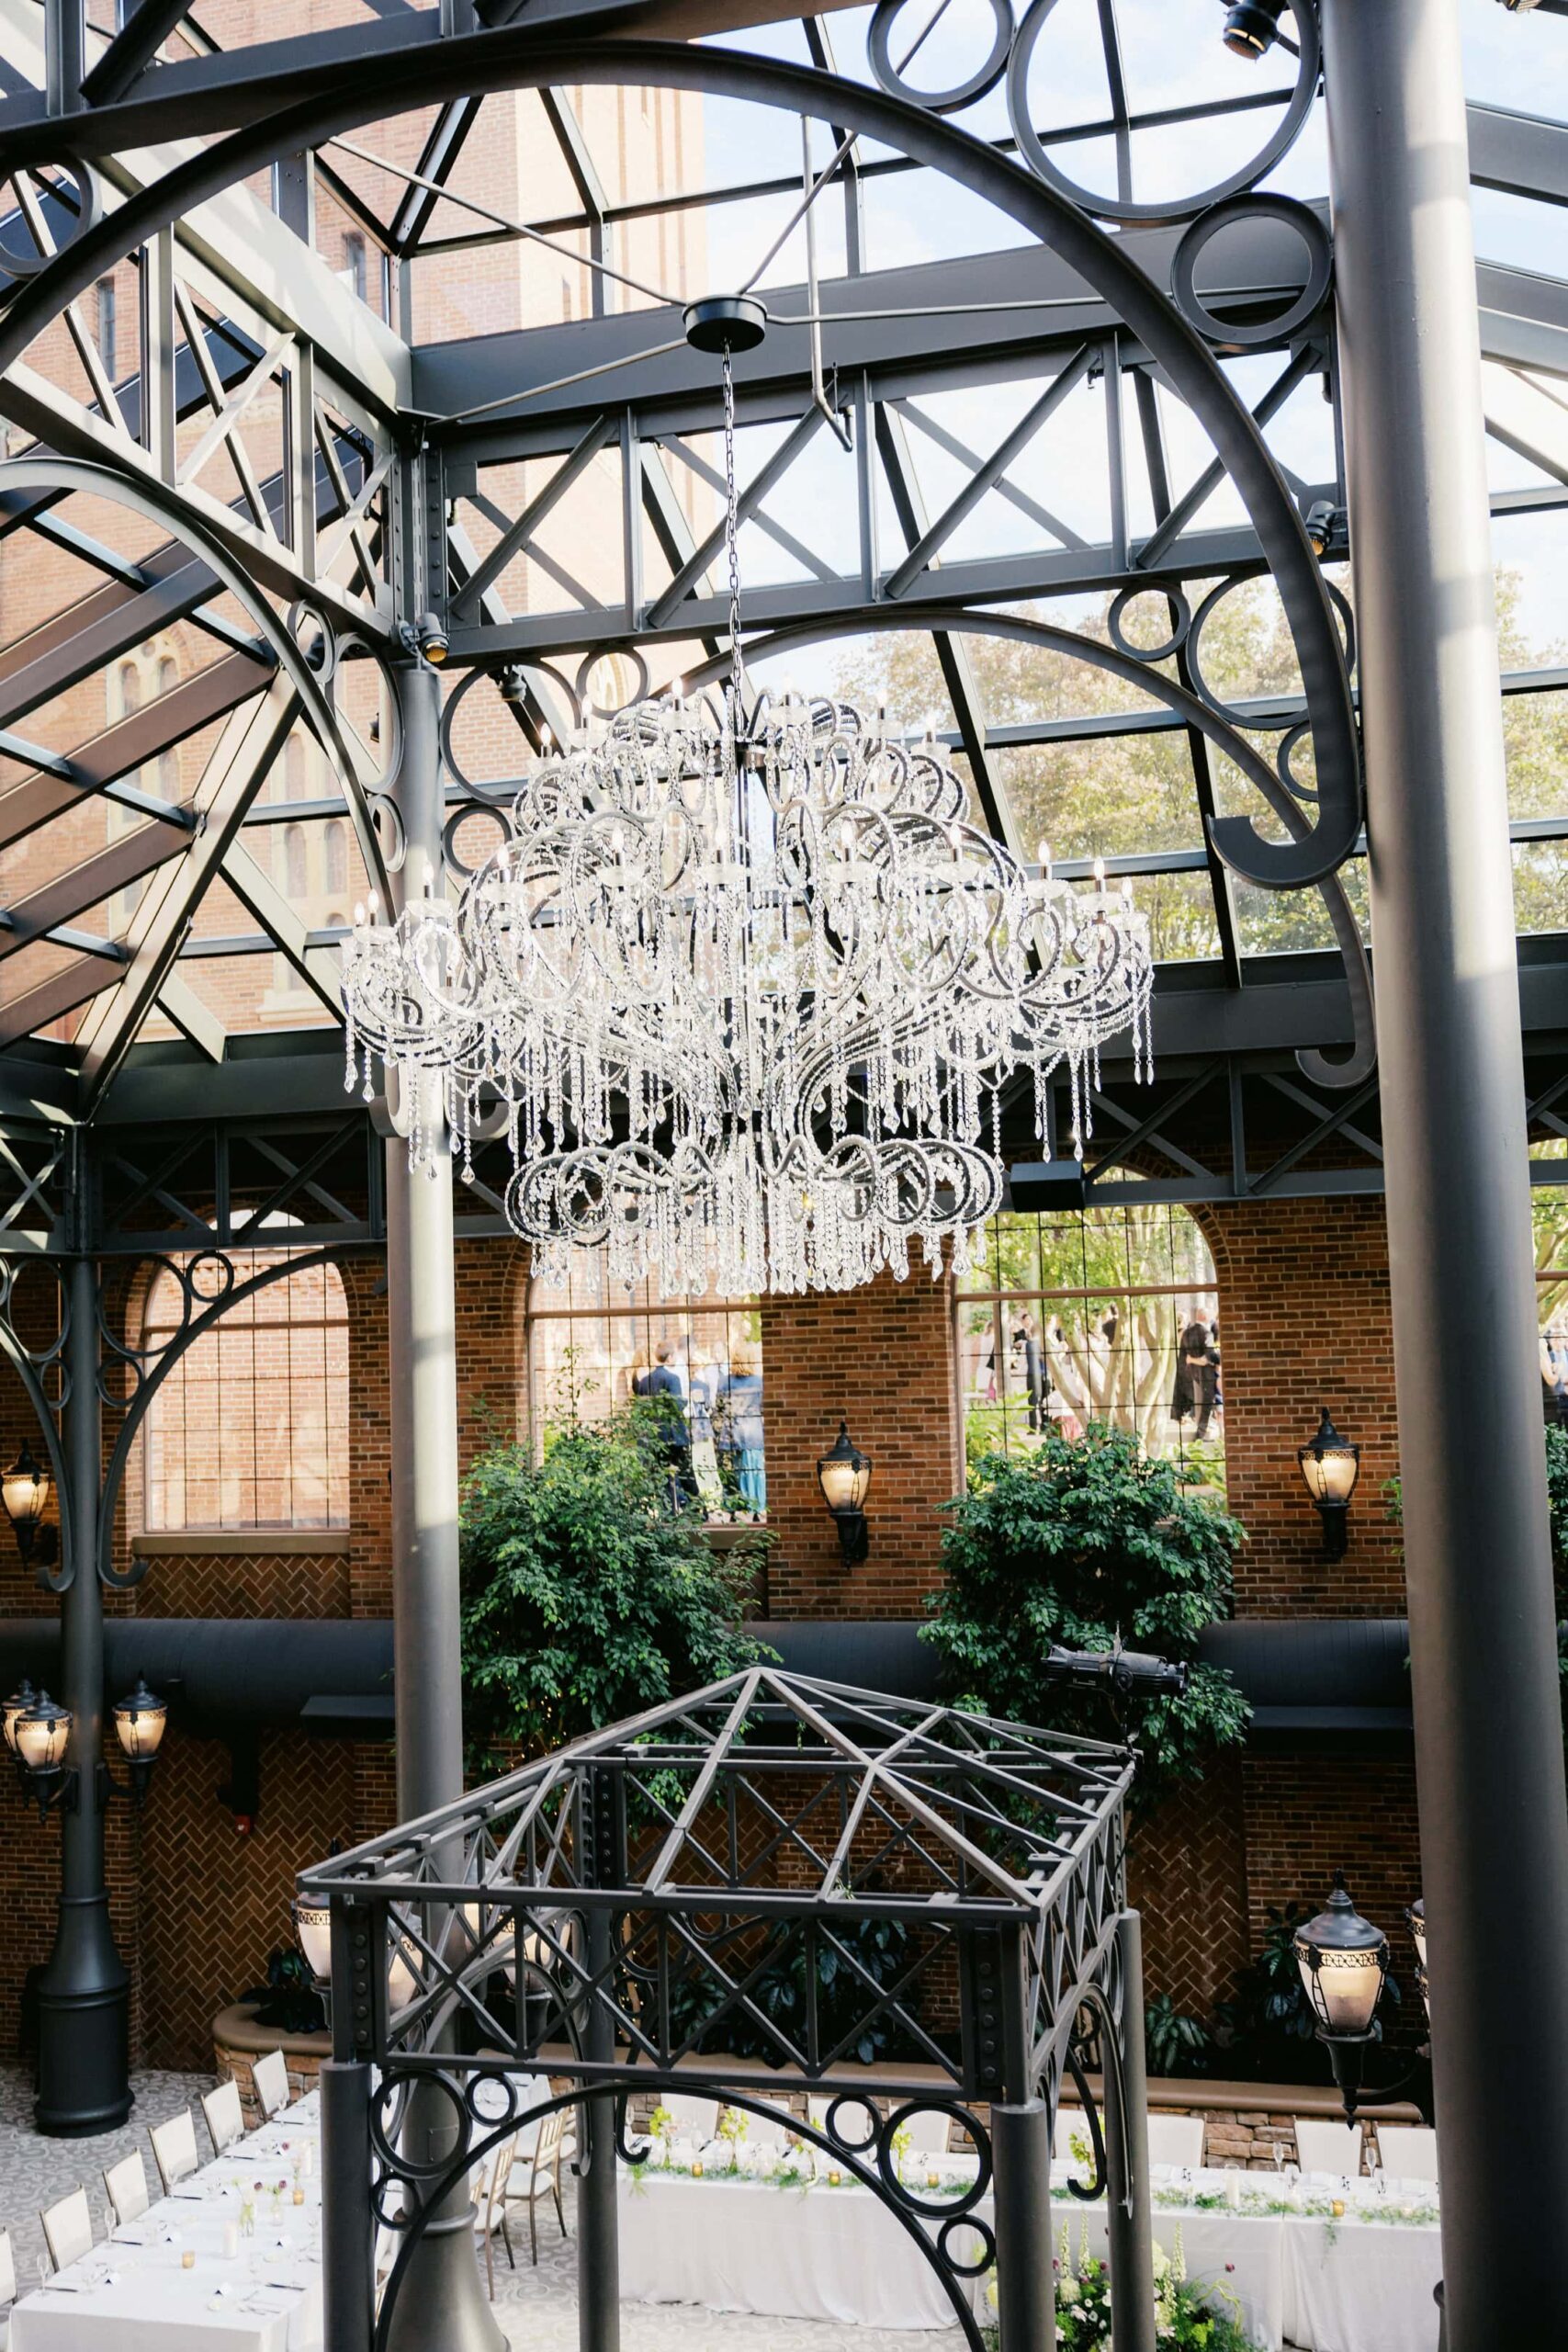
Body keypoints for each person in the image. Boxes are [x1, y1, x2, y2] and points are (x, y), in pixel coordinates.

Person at [1170, 1317, 1219, 1442]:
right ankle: (1202, 1432)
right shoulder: (1207, 1334)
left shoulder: (1186, 1333)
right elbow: (1206, 1359)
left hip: (1192, 1373)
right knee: (1208, 1403)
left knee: (1206, 1403)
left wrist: (1190, 1362)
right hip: (1207, 1374)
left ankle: (1202, 1427)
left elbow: (1183, 1358)